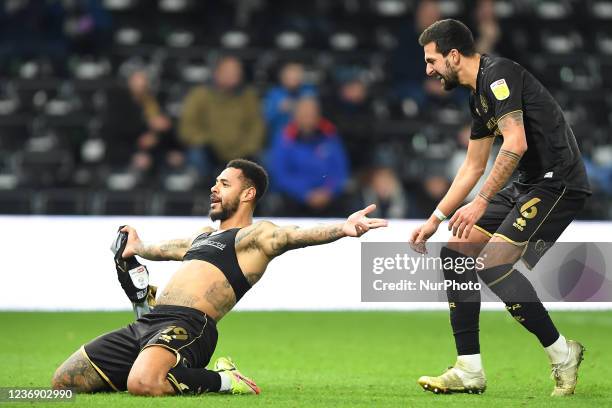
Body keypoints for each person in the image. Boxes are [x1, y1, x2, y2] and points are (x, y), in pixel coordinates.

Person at [51, 159, 387, 396]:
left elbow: (292, 235)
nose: (214, 188)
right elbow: (168, 248)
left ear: (248, 193)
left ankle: (226, 380)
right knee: (63, 382)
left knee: (144, 385)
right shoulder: (202, 236)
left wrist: (342, 229)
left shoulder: (255, 237)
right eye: (215, 183)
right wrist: (138, 246)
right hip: (147, 323)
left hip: (187, 327)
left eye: (224, 184)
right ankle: (157, 370)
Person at [408, 19, 591, 396]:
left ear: (453, 55)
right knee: (456, 254)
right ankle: (469, 370)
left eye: (432, 60)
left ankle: (561, 355)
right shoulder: (478, 95)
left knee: (493, 263)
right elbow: (473, 166)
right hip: (526, 183)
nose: (428, 69)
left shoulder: (498, 75)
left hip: (558, 182)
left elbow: (516, 143)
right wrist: (435, 218)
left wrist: (481, 202)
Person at [179, 56, 265, 178]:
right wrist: (205, 142)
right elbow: (188, 125)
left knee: (265, 158)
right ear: (217, 73)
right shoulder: (199, 94)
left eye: (236, 73)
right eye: (227, 72)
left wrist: (248, 149)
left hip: (242, 152)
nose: (232, 76)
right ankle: (204, 189)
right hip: (209, 151)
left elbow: (257, 126)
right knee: (196, 155)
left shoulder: (249, 97)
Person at [268, 97, 349, 217]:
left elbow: (340, 170)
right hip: (296, 198)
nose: (308, 117)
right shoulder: (284, 138)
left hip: (328, 197)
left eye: (312, 113)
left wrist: (328, 191)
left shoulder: (330, 135)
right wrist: (305, 193)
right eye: (304, 113)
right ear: (295, 116)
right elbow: (280, 174)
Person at [263, 62, 316, 144]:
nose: (294, 81)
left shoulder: (308, 91)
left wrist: (301, 106)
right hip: (280, 138)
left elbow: (315, 113)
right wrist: (279, 109)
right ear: (283, 78)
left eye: (297, 77)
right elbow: (266, 118)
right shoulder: (274, 94)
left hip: (304, 138)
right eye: (291, 77)